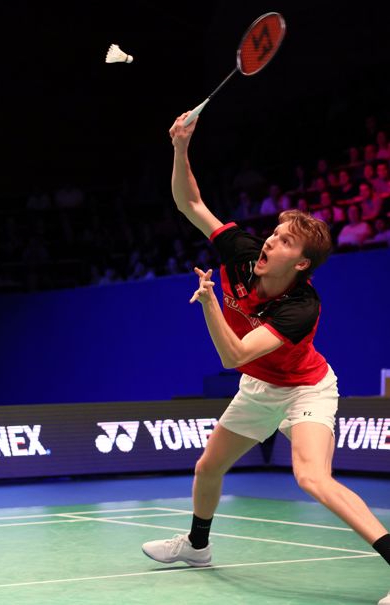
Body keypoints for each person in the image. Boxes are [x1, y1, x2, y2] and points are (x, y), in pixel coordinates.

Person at [141, 114, 390, 605]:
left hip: (305, 389)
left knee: (311, 477)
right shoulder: (242, 253)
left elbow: (233, 355)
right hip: (260, 388)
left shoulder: (302, 307)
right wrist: (180, 147)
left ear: (300, 264)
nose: (270, 241)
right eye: (274, 234)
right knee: (207, 468)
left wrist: (211, 303)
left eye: (283, 242)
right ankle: (196, 547)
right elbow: (190, 202)